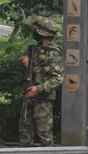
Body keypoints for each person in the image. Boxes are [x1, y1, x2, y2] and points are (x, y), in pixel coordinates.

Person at [18, 15, 64, 147]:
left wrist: (38, 89)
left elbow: (58, 78)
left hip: (43, 98)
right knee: (25, 129)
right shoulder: (34, 49)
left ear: (42, 33)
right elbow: (32, 70)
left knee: (44, 132)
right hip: (29, 92)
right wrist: (25, 63)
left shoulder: (54, 53)